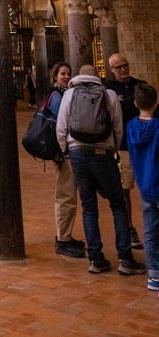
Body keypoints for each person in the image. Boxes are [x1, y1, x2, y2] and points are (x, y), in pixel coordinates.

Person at [56, 64, 146, 275]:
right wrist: (113, 148)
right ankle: (125, 258)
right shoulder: (109, 94)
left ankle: (96, 259)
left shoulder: (69, 94)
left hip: (77, 152)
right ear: (97, 76)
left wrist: (67, 150)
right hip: (102, 153)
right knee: (118, 204)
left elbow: (61, 127)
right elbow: (117, 125)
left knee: (89, 207)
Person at [107, 52, 149, 248]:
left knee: (149, 188)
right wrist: (133, 102)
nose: (123, 69)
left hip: (145, 146)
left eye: (125, 65)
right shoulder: (109, 89)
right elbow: (115, 113)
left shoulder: (140, 84)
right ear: (112, 69)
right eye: (118, 67)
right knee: (125, 189)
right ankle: (129, 228)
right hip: (123, 146)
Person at [44, 63, 85, 258]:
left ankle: (66, 235)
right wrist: (63, 151)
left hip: (69, 150)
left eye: (68, 73)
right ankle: (63, 239)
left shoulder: (66, 94)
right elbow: (62, 125)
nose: (66, 77)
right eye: (62, 74)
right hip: (65, 151)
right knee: (66, 194)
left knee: (68, 193)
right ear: (55, 77)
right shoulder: (58, 97)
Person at [127, 82, 159, 294]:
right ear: (156, 102)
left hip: (144, 184)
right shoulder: (157, 127)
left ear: (135, 103)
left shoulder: (131, 127)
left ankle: (154, 274)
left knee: (149, 230)